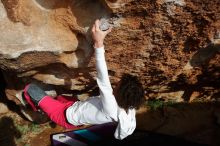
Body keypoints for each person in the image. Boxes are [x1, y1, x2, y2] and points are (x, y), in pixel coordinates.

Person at [23, 19, 145, 140]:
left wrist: (99, 42)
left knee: (30, 89)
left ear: (119, 95)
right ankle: (52, 103)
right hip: (75, 107)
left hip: (63, 115)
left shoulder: (111, 107)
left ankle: (37, 109)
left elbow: (103, 78)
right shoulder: (130, 106)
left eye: (117, 86)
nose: (115, 86)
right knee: (60, 97)